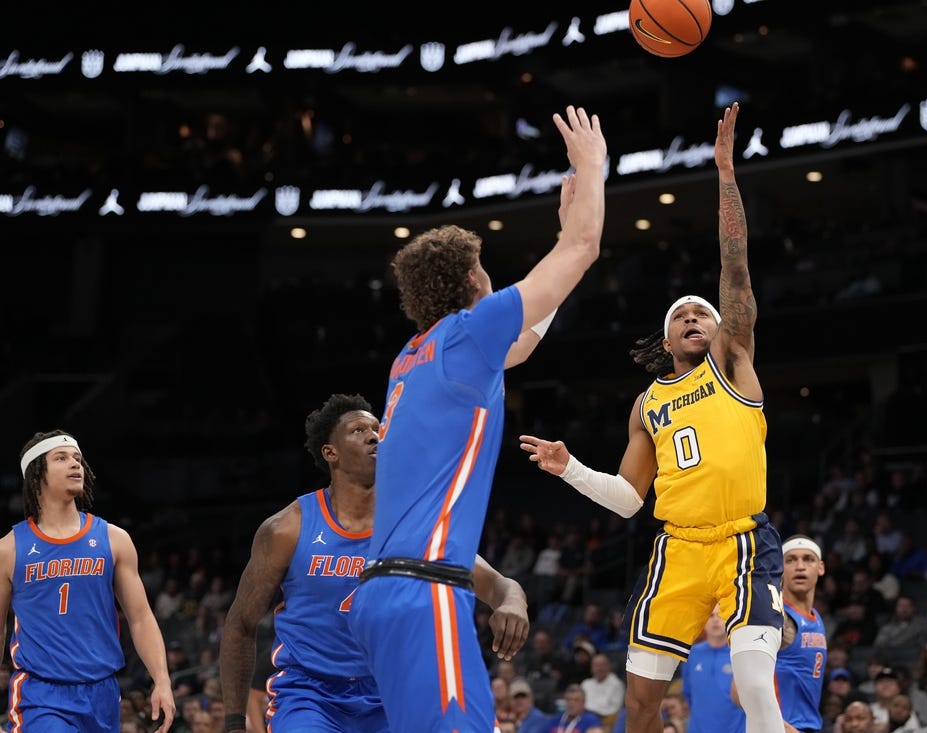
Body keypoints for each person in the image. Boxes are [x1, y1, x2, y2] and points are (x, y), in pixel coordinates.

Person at [520, 103, 785, 733]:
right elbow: (628, 500)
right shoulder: (648, 404)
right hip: (676, 551)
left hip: (744, 542)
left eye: (705, 312)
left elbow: (736, 268)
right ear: (666, 338)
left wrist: (725, 173)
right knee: (641, 705)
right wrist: (569, 469)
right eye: (681, 314)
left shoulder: (732, 361)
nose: (696, 316)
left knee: (752, 681)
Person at [346, 104, 608, 733]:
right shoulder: (468, 334)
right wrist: (593, 171)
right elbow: (585, 249)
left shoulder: (413, 358)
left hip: (379, 599)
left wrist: (562, 234)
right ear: (472, 277)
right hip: (423, 593)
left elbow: (521, 344)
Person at [219, 394, 530, 732]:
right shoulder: (286, 529)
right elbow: (240, 624)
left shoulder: (414, 526)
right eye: (358, 430)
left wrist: (512, 602)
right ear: (330, 452)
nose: (374, 436)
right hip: (312, 695)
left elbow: (499, 584)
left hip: (394, 691)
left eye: (377, 429)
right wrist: (235, 723)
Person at [0, 430, 175, 732]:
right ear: (36, 474)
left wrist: (162, 679)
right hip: (40, 693)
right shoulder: (9, 548)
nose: (75, 464)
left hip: (103, 692)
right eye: (61, 457)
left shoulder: (114, 539)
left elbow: (141, 617)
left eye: (78, 458)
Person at [773, 536, 827, 733]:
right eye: (790, 560)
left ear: (820, 568)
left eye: (808, 559)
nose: (800, 566)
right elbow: (740, 689)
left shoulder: (817, 619)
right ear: (780, 569)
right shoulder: (775, 617)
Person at [683, 607, 746, 733]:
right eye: (711, 616)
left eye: (720, 615)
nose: (715, 620)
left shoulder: (740, 653)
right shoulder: (691, 654)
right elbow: (688, 694)